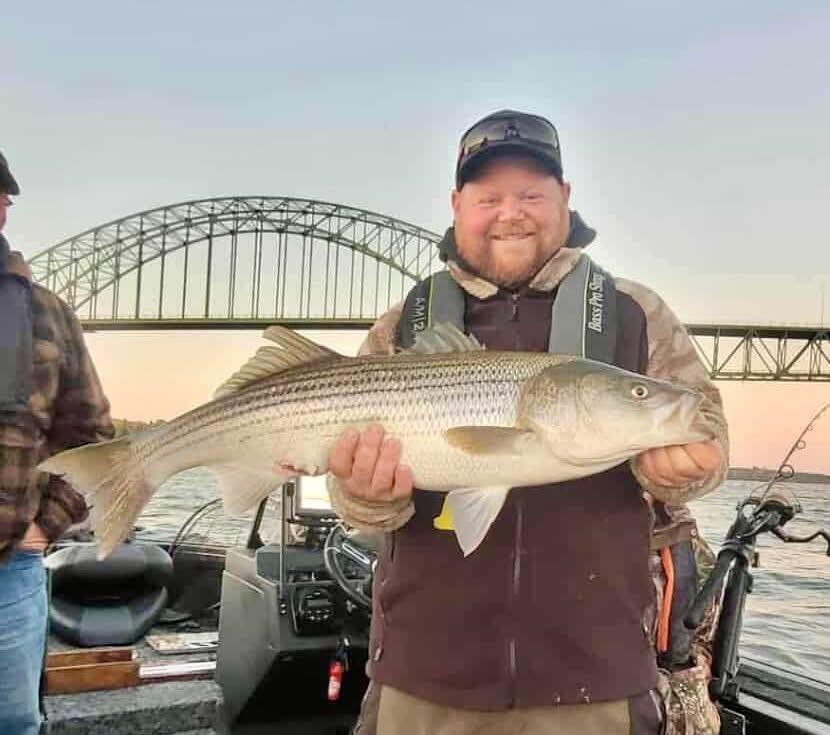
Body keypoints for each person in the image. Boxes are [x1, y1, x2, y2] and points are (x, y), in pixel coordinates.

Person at [324, 111, 729, 735]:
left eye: (532, 195)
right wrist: (365, 496)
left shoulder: (636, 313)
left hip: (596, 686)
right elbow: (351, 501)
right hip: (422, 684)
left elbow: (705, 428)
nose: (510, 213)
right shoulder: (403, 323)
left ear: (565, 199)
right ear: (458, 205)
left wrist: (685, 472)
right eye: (488, 197)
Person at [0, 151, 114, 734]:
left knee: (14, 722)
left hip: (9, 571)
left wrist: (45, 527)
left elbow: (92, 436)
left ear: (3, 206)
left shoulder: (47, 315)